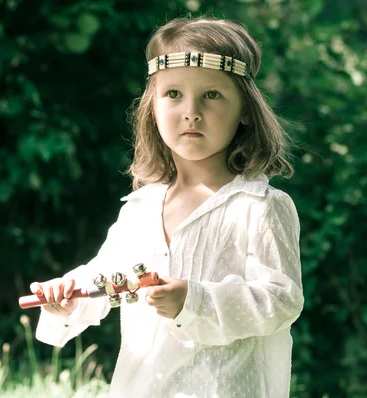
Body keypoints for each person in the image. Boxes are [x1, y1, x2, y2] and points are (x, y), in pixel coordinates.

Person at [29, 16, 304, 398]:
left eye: (211, 95)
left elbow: (281, 299)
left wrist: (194, 300)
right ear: (152, 109)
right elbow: (108, 279)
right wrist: (68, 297)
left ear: (245, 110)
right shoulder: (141, 207)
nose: (191, 111)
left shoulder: (260, 206)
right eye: (173, 94)